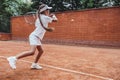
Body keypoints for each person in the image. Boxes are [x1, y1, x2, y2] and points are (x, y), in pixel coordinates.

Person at [7, 4, 58, 70]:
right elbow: (56, 20)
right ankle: (13, 58)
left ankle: (34, 64)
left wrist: (49, 16)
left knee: (41, 51)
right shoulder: (44, 18)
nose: (48, 11)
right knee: (32, 52)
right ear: (44, 11)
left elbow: (45, 21)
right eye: (47, 10)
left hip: (36, 37)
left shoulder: (40, 18)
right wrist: (53, 16)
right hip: (34, 36)